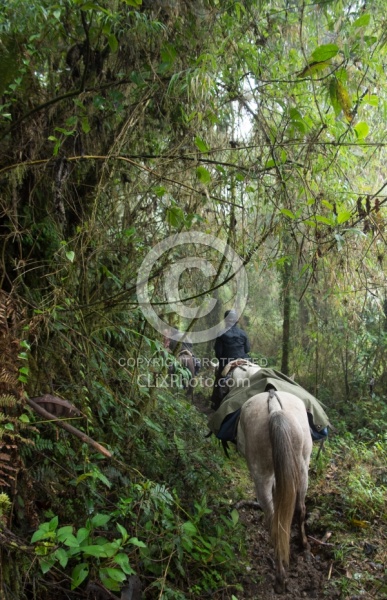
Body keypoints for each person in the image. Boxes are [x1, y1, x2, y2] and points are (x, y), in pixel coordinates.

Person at [211, 310, 251, 408]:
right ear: (236, 321)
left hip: (227, 361)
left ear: (225, 320)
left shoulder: (221, 334)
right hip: (244, 360)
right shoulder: (243, 333)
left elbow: (218, 353)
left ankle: (216, 402)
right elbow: (247, 349)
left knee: (220, 379)